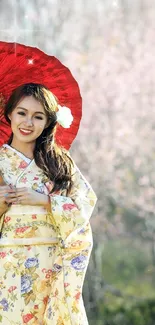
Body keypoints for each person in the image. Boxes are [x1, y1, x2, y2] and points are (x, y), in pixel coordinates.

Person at [0, 82, 97, 325]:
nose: (28, 123)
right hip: (7, 264)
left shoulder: (59, 164)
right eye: (22, 113)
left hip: (52, 263)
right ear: (9, 113)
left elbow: (84, 205)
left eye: (38, 116)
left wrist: (45, 201)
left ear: (47, 123)